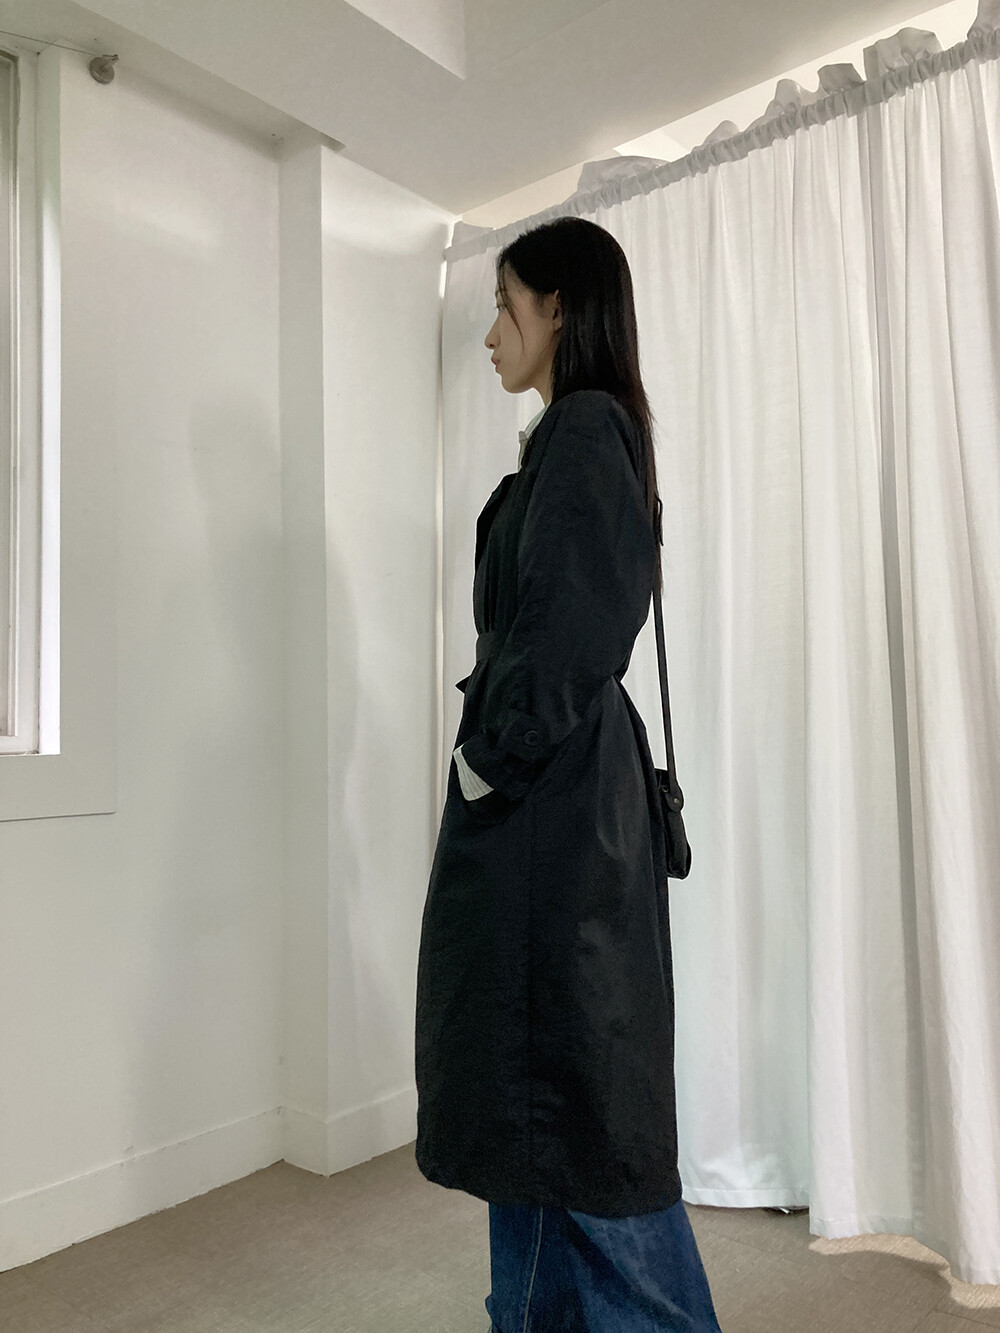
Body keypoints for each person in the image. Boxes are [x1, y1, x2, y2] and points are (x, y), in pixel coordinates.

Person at [414, 216, 722, 1331]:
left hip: (554, 816)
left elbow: (567, 634)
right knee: (542, 1123)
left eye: (505, 305)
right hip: (557, 808)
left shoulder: (586, 429)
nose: (491, 332)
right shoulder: (578, 434)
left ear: (559, 309)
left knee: (581, 1123)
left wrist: (484, 764)